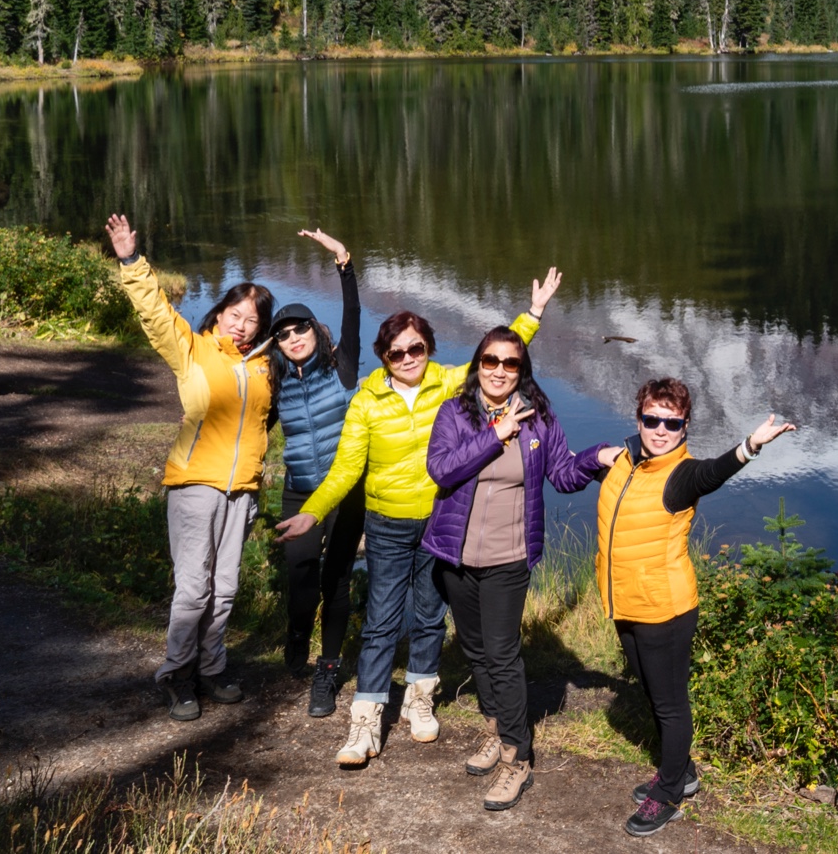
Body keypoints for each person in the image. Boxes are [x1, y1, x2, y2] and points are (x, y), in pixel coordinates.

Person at [274, 268, 563, 771]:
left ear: (428, 349)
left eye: (417, 349)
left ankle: (420, 697)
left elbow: (499, 360)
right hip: (386, 522)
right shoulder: (366, 400)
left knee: (431, 615)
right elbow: (346, 467)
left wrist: (532, 315)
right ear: (383, 356)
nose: (408, 359)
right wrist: (313, 511)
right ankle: (365, 718)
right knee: (383, 618)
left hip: (437, 523)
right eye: (397, 352)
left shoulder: (447, 383)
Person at [586, 379, 796, 837]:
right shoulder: (625, 462)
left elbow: (713, 473)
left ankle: (668, 796)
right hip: (626, 601)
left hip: (665, 607)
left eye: (671, 422)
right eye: (651, 419)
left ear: (685, 427)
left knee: (670, 705)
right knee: (649, 690)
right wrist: (589, 458)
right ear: (638, 418)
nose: (659, 430)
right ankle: (682, 770)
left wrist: (749, 447)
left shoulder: (680, 475)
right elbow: (575, 470)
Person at [105, 212, 274, 724]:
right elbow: (156, 311)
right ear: (219, 313)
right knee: (193, 587)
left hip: (241, 491)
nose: (242, 325)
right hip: (195, 484)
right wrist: (132, 261)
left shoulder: (265, 367)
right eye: (235, 314)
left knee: (225, 588)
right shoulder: (193, 350)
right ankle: (176, 674)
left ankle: (211, 666)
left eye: (253, 320)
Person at [423, 328, 600, 811]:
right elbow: (441, 469)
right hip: (456, 556)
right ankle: (497, 732)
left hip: (508, 558)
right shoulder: (456, 414)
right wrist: (493, 435)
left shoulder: (538, 420)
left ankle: (518, 759)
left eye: (510, 363)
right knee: (476, 651)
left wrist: (596, 459)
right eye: (490, 360)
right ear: (477, 363)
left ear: (523, 371)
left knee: (501, 654)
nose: (499, 370)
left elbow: (562, 474)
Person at [268, 228, 365, 717]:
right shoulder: (276, 384)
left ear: (314, 330)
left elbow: (352, 313)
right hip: (300, 491)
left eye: (299, 329)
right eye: (283, 335)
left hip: (346, 494)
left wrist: (342, 260)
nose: (293, 338)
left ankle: (327, 672)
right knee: (301, 573)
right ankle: (296, 630)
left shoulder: (342, 366)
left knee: (337, 582)